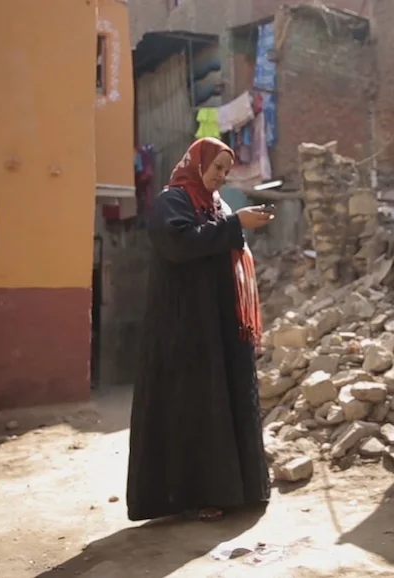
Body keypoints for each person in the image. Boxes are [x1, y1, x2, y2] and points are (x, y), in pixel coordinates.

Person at [126, 137, 274, 522]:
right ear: (197, 163)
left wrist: (237, 224)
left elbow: (223, 245)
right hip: (184, 327)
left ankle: (236, 491)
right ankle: (195, 496)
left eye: (227, 170)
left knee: (225, 400)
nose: (221, 176)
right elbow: (180, 244)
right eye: (217, 167)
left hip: (220, 325)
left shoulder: (218, 205)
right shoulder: (171, 201)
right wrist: (236, 224)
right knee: (193, 408)